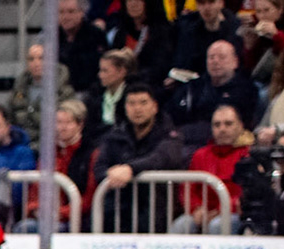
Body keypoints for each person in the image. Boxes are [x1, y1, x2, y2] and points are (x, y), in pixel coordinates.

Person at [91, 80, 187, 231]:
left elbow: (162, 158)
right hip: (117, 214)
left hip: (157, 212)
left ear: (154, 106)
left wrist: (130, 169)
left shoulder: (170, 135)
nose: (137, 109)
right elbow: (99, 168)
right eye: (132, 103)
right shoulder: (115, 136)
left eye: (143, 103)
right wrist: (110, 174)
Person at [171, 102, 248, 234]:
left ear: (240, 126)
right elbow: (187, 188)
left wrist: (221, 210)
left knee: (217, 225)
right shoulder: (200, 155)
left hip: (235, 213)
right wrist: (197, 209)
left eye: (228, 124)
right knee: (181, 225)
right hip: (203, 212)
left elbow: (247, 192)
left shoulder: (248, 155)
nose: (222, 129)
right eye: (217, 125)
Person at [167, 39, 259, 146]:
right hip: (182, 138)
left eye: (221, 57)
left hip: (220, 142)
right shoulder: (193, 87)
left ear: (235, 62)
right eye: (211, 57)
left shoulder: (246, 90)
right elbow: (172, 111)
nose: (215, 61)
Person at [8, 41, 74, 139]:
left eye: (41, 58)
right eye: (31, 59)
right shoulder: (18, 90)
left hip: (51, 144)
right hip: (22, 143)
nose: (36, 63)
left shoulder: (65, 92)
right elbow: (10, 118)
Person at [105, 0, 174, 90]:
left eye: (139, 0)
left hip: (149, 87)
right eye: (129, 0)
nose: (133, 4)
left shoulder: (162, 32)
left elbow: (159, 68)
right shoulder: (121, 33)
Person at [172, 0, 241, 81]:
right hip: (195, 84)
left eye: (211, 2)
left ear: (221, 3)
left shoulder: (235, 30)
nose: (206, 8)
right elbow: (182, 62)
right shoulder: (189, 28)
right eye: (202, 3)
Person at [54, 0, 106, 94]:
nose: (65, 17)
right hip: (59, 91)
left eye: (71, 12)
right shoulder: (52, 37)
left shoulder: (95, 35)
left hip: (88, 91)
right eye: (61, 12)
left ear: (82, 13)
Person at [83, 47, 134, 134]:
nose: (100, 75)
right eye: (100, 70)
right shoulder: (94, 96)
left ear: (121, 71)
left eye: (105, 71)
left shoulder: (133, 95)